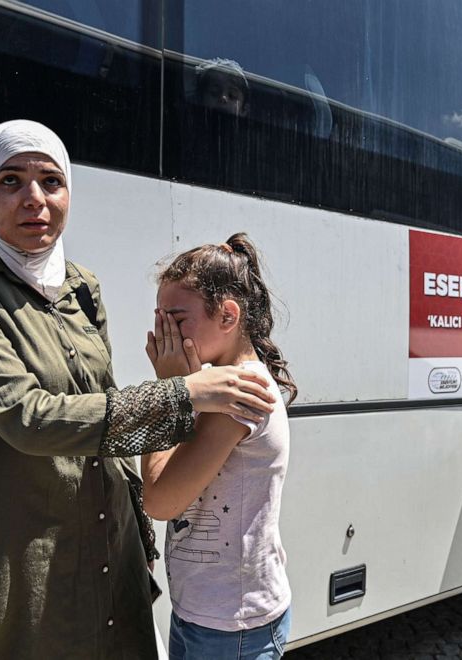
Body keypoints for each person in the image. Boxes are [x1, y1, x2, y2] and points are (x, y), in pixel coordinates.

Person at [0, 120, 276, 660]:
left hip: (110, 550)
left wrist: (139, 536)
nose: (35, 199)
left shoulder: (82, 285)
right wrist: (184, 393)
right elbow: (28, 418)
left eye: (51, 182)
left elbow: (104, 402)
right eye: (10, 181)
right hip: (24, 561)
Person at [141, 234, 296, 660]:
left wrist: (166, 391)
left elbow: (160, 499)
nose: (163, 331)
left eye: (175, 318)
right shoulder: (216, 384)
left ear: (228, 315)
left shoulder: (241, 390)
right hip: (211, 615)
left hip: (231, 627)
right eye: (160, 318)